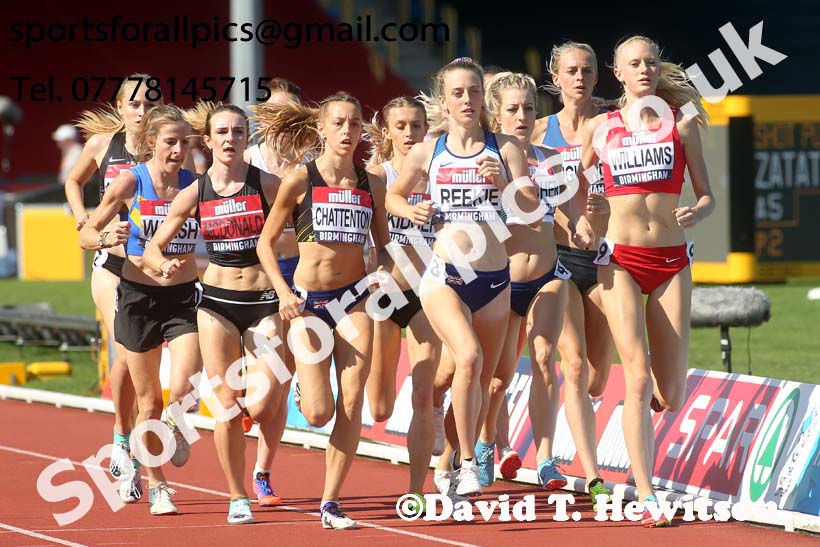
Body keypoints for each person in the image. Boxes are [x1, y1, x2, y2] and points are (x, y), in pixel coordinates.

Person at [580, 35, 714, 527]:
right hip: (618, 258)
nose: (644, 69)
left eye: (651, 62)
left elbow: (707, 196)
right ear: (618, 73)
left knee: (671, 393)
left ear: (660, 69)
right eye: (633, 63)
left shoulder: (682, 125)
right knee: (634, 377)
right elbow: (572, 191)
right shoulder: (601, 128)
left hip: (672, 260)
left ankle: (645, 411)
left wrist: (698, 212)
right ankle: (645, 491)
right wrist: (584, 216)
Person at [386, 57, 534, 498]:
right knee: (468, 358)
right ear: (443, 101)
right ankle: (470, 461)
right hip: (445, 275)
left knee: (482, 380)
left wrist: (506, 182)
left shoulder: (504, 147)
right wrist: (410, 209)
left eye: (473, 92)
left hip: (494, 280)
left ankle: (447, 459)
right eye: (457, 93)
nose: (466, 100)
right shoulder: (429, 150)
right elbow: (393, 195)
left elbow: (529, 206)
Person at [143, 103, 291, 524]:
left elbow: (304, 228)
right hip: (217, 305)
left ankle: (274, 396)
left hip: (264, 301)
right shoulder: (196, 192)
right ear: (207, 141)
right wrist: (161, 263)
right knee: (226, 403)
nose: (230, 139)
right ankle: (237, 495)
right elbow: (155, 244)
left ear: (248, 139)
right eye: (222, 132)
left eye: (238, 132)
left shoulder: (267, 184)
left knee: (260, 406)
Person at [256, 91, 390, 530]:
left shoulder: (372, 182)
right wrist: (283, 293)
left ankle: (331, 502)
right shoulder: (301, 179)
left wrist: (380, 277)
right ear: (321, 129)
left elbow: (385, 247)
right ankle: (302, 389)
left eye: (354, 124)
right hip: (308, 305)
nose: (347, 132)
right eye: (338, 123)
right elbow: (265, 244)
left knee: (353, 400)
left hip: (353, 302)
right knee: (318, 413)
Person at [79, 104, 203, 516]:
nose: (178, 150)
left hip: (182, 299)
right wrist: (103, 236)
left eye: (184, 142)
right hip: (136, 298)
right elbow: (87, 234)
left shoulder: (195, 185)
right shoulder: (132, 181)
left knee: (185, 386)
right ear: (151, 143)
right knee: (148, 404)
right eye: (170, 142)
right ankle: (158, 485)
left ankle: (179, 421)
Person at [478, 71, 589, 491]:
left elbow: (570, 213)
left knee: (545, 360)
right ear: (495, 114)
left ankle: (546, 458)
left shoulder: (551, 159)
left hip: (548, 274)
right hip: (502, 280)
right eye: (512, 109)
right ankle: (487, 440)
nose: (522, 116)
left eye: (528, 108)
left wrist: (580, 226)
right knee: (497, 377)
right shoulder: (486, 158)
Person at [65, 75, 160, 503]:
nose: (142, 112)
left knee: (148, 371)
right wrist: (83, 221)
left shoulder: (167, 148)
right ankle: (123, 441)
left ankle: (135, 439)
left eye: (149, 104)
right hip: (111, 267)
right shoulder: (103, 145)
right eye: (135, 104)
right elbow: (73, 181)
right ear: (121, 107)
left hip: (153, 270)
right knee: (125, 353)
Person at [535, 41, 615, 507]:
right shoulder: (541, 132)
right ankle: (589, 470)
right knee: (575, 361)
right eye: (571, 70)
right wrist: (571, 223)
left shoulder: (611, 128)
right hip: (559, 257)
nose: (580, 78)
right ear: (556, 76)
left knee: (598, 378)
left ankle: (569, 414)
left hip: (605, 258)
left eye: (587, 70)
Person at [365, 96, 442, 505]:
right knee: (379, 407)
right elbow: (362, 238)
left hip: (430, 291)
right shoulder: (378, 176)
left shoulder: (442, 170)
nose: (410, 134)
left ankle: (416, 489)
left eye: (416, 125)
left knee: (424, 394)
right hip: (388, 292)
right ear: (387, 131)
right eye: (401, 126)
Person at [242, 78, 303, 507]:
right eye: (275, 113)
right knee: (263, 395)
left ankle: (262, 471)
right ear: (263, 119)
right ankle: (242, 393)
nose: (283, 122)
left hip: (305, 276)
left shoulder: (315, 162)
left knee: (283, 379)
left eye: (291, 113)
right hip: (259, 277)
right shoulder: (246, 160)